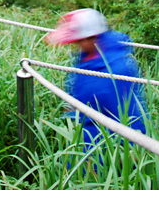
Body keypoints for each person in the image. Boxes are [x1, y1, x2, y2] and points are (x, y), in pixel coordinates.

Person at [44, 8, 148, 154]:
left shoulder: (116, 71)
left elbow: (129, 114)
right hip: (87, 139)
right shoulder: (86, 57)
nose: (76, 45)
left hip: (108, 148)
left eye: (79, 40)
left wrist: (131, 150)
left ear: (92, 37)